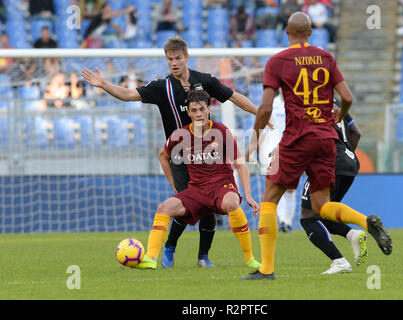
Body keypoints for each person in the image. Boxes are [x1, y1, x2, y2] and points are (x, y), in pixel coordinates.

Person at [81, 37, 265, 268]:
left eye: (178, 58)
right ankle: (169, 247)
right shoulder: (162, 87)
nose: (174, 63)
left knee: (211, 207)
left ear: (186, 57)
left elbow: (234, 96)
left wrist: (261, 114)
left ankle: (203, 256)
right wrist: (104, 84)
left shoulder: (204, 81)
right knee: (186, 205)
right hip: (179, 155)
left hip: (209, 151)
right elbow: (128, 95)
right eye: (170, 59)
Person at [240, 12, 392, 280]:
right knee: (321, 204)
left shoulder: (277, 61)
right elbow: (347, 97)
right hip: (326, 139)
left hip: (298, 137)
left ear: (286, 32)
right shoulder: (326, 57)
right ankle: (365, 222)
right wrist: (339, 116)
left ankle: (266, 270)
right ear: (310, 33)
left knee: (269, 198)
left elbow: (264, 107)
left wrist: (254, 137)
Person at [131, 90, 261, 271]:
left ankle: (250, 259)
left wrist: (247, 195)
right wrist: (175, 186)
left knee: (232, 202)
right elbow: (163, 156)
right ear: (189, 112)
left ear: (209, 109)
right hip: (197, 189)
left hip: (222, 186)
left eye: (202, 109)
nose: (198, 114)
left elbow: (241, 165)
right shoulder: (179, 135)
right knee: (164, 208)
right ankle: (151, 258)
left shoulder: (222, 131)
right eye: (194, 110)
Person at [300, 103, 368, 274]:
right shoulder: (336, 103)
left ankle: (340, 261)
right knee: (324, 211)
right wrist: (346, 153)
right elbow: (356, 133)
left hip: (330, 161)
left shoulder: (311, 101)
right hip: (350, 162)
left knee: (308, 216)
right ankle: (352, 234)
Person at [249, 90, 297, 232]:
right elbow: (263, 128)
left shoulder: (296, 103)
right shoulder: (272, 104)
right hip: (272, 149)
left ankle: (287, 221)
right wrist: (254, 147)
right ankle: (281, 221)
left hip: (292, 148)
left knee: (290, 188)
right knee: (276, 183)